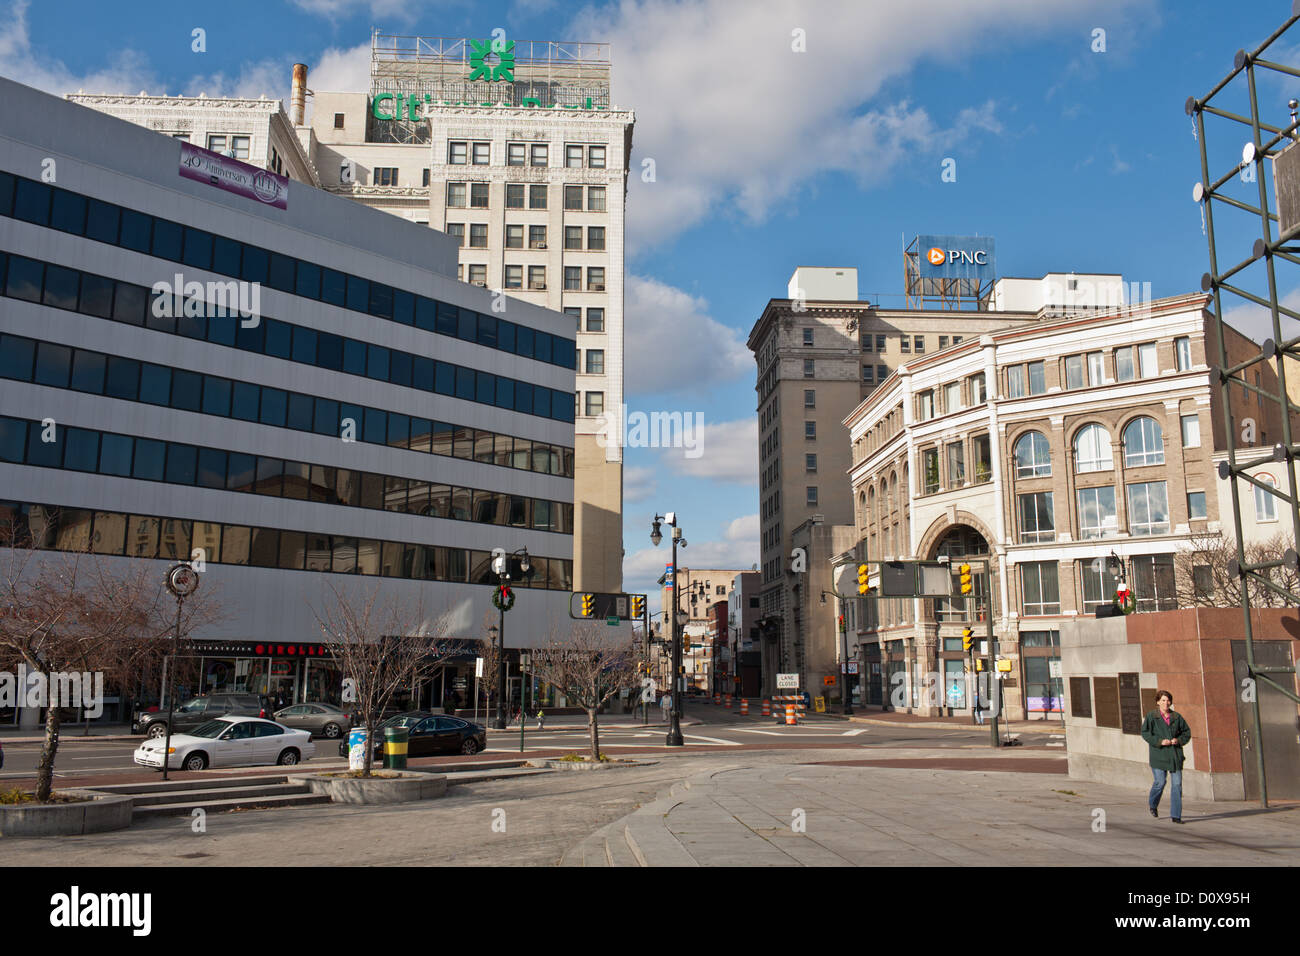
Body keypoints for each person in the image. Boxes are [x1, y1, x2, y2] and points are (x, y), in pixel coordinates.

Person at [1141, 689, 1191, 823]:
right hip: (1159, 756)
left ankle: (1176, 815)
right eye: (1163, 700)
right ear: (1158, 702)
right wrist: (1159, 742)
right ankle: (1153, 804)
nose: (1166, 703)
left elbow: (1186, 733)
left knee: (1177, 785)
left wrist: (1178, 740)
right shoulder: (1152, 717)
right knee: (1160, 782)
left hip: (1174, 756)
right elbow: (1145, 733)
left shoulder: (1177, 717)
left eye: (1168, 700)